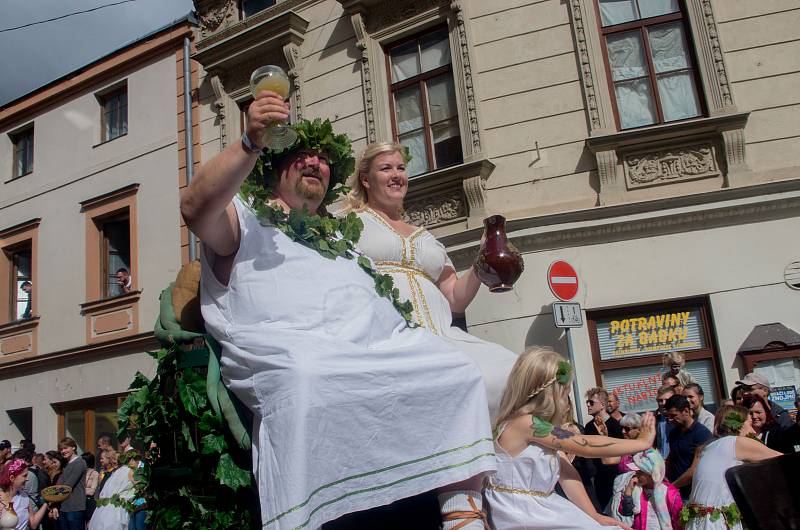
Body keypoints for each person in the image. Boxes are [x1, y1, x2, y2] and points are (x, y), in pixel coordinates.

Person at [181, 89, 496, 530]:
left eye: (323, 158)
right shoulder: (244, 216)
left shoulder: (341, 239)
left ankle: (461, 510)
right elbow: (194, 208)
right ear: (271, 165)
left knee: (455, 369)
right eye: (299, 155)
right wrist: (250, 142)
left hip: (371, 349)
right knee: (307, 380)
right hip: (295, 352)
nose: (314, 162)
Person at [344, 141, 519, 419]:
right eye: (386, 168)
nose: (396, 174)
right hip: (388, 337)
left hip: (441, 336)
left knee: (514, 373)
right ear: (366, 179)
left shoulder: (425, 236)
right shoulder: (349, 223)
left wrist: (481, 262)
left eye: (401, 168)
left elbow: (455, 298)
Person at [486, 347, 657, 529]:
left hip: (537, 511)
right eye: (566, 393)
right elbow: (585, 444)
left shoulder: (535, 429)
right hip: (524, 516)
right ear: (552, 394)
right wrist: (640, 443)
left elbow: (567, 473)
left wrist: (593, 515)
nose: (567, 402)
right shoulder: (526, 424)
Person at [682, 405, 781, 530]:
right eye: (749, 424)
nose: (754, 431)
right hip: (716, 523)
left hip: (698, 521)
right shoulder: (736, 442)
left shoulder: (709, 446)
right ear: (739, 425)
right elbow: (786, 461)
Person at [610, 449, 682, 530]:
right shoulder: (636, 489)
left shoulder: (670, 494)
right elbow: (626, 514)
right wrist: (628, 492)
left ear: (651, 474)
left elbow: (677, 522)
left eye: (640, 472)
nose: (636, 474)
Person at [663, 394, 711, 499]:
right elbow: (671, 457)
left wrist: (671, 487)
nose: (670, 420)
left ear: (685, 410)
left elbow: (694, 471)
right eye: (668, 416)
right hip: (676, 493)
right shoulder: (673, 433)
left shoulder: (702, 434)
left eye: (674, 415)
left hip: (694, 494)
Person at [583, 387, 624, 512]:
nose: (588, 406)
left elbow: (621, 452)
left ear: (602, 405)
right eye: (587, 403)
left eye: (591, 403)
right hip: (598, 478)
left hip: (615, 476)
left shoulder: (615, 425)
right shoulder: (589, 426)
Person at [0, 459, 50, 530]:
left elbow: (33, 524)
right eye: (24, 476)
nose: (27, 479)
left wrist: (46, 503)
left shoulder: (24, 496)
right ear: (12, 478)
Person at [88, 449, 132, 530]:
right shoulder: (123, 472)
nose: (114, 462)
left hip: (109, 508)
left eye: (115, 459)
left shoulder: (117, 473)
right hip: (114, 508)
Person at [51, 438, 86, 530]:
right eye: (61, 449)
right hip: (64, 506)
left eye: (66, 448)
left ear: (73, 447)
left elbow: (68, 485)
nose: (63, 451)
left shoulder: (80, 462)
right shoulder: (66, 464)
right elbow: (59, 484)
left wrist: (52, 496)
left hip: (75, 507)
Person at [654, 385, 675, 459]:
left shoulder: (680, 420)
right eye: (660, 400)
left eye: (667, 400)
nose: (663, 403)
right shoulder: (656, 420)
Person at [81, 453, 99, 523]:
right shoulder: (81, 472)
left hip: (89, 502)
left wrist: (80, 491)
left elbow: (92, 491)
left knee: (89, 523)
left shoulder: (95, 473)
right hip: (80, 502)